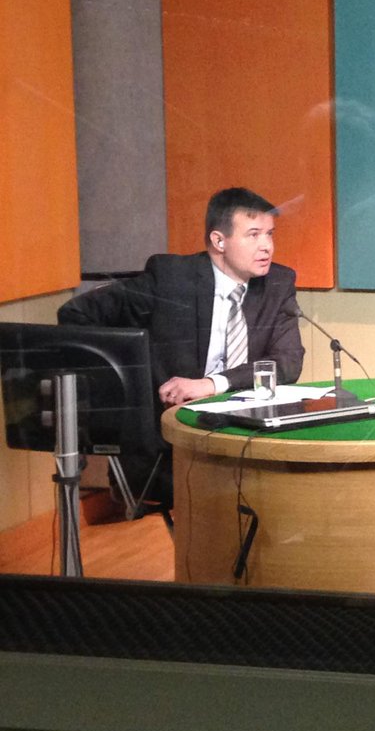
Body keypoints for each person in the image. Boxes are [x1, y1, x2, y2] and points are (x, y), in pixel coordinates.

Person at [57, 187, 304, 505]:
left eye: (270, 234)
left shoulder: (278, 283)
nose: (266, 246)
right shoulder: (170, 279)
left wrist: (212, 384)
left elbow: (288, 362)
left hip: (248, 436)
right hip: (171, 443)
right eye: (253, 235)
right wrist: (128, 389)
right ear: (219, 241)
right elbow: (76, 315)